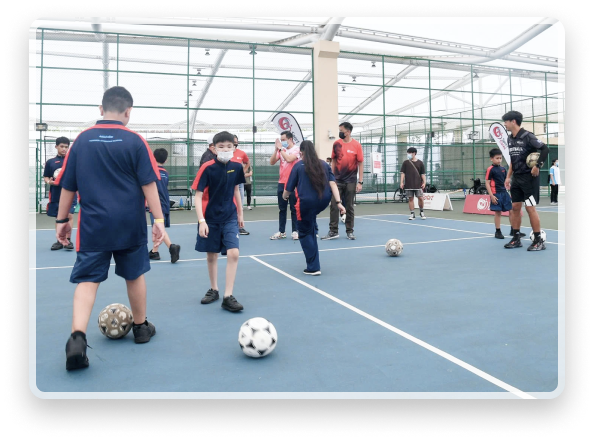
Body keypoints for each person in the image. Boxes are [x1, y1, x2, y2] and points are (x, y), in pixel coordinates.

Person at [55, 86, 164, 371]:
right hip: (129, 224)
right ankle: (140, 328)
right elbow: (149, 184)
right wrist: (159, 220)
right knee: (134, 275)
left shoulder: (81, 140)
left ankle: (77, 340)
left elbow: (68, 184)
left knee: (88, 281)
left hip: (94, 226)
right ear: (128, 112)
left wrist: (61, 220)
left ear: (101, 109)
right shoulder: (136, 141)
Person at [192, 131, 245, 312]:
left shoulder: (237, 167)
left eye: (229, 146)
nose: (225, 149)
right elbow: (198, 196)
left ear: (234, 148)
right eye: (221, 146)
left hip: (229, 216)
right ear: (214, 149)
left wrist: (240, 213)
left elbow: (236, 190)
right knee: (211, 255)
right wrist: (201, 221)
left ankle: (227, 296)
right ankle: (214, 289)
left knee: (234, 253)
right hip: (210, 218)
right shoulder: (207, 168)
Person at [284, 141, 346, 275]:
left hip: (306, 203)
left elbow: (288, 189)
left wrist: (284, 196)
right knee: (310, 220)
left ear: (301, 152)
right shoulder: (324, 164)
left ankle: (313, 267)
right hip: (322, 201)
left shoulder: (298, 166)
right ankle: (314, 228)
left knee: (304, 233)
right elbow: (333, 184)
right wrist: (339, 202)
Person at [501, 110, 549, 251]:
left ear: (513, 121)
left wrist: (538, 166)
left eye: (506, 121)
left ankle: (538, 240)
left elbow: (545, 149)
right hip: (517, 178)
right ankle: (516, 239)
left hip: (529, 179)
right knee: (515, 207)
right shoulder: (510, 139)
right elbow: (513, 160)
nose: (505, 124)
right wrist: (508, 177)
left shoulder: (528, 136)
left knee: (529, 208)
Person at [322, 122, 364, 240]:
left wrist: (360, 182)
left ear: (348, 132)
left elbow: (360, 164)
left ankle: (349, 231)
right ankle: (333, 231)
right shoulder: (336, 144)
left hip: (351, 181)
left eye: (342, 130)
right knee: (334, 205)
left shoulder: (357, 145)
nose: (340, 132)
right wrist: (332, 177)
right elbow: (334, 161)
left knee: (349, 206)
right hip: (337, 180)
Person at [43, 136, 77, 250]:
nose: (64, 149)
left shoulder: (73, 161)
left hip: (70, 192)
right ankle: (59, 240)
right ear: (56, 146)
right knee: (58, 216)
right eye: (62, 146)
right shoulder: (50, 162)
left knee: (69, 215)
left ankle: (68, 240)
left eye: (66, 147)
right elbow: (46, 177)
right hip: (56, 193)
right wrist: (49, 182)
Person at [148, 148, 181, 263]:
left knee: (158, 227)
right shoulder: (165, 173)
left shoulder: (151, 171)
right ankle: (154, 252)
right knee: (157, 227)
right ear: (166, 160)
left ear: (153, 157)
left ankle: (172, 247)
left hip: (156, 204)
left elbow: (149, 188)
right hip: (165, 203)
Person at [269, 130, 301, 240]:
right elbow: (272, 162)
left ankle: (295, 231)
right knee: (282, 209)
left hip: (294, 183)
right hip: (281, 183)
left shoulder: (296, 149)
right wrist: (275, 150)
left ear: (290, 139)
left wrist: (281, 149)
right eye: (281, 140)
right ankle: (282, 232)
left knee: (294, 208)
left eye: (284, 140)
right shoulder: (280, 150)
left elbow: (289, 159)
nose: (282, 142)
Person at [485, 148, 513, 239]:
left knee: (511, 210)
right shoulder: (490, 169)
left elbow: (506, 181)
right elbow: (487, 183)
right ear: (491, 159)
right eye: (497, 158)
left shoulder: (503, 169)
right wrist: (492, 196)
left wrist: (509, 187)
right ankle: (498, 231)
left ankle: (514, 230)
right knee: (498, 213)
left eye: (500, 158)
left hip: (504, 193)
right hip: (496, 194)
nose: (499, 160)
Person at [400, 147, 427, 220]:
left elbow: (423, 174)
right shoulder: (405, 162)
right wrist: (401, 182)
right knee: (410, 199)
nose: (409, 154)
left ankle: (421, 212)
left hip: (418, 184)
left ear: (414, 153)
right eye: (408, 153)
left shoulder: (420, 163)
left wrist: (424, 182)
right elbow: (402, 173)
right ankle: (412, 214)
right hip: (409, 184)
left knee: (420, 198)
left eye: (410, 153)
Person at [231, 134, 250, 235]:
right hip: (228, 184)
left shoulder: (241, 153)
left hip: (239, 184)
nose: (235, 143)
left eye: (236, 141)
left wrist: (243, 172)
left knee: (239, 204)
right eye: (233, 141)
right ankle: (229, 226)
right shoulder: (226, 153)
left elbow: (247, 162)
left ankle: (240, 227)